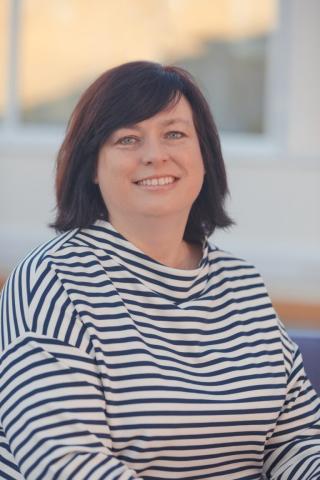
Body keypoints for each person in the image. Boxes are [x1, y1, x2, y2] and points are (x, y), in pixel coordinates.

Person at [0, 61, 319, 480]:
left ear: (203, 155)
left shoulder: (241, 284)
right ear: (92, 167)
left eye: (174, 134)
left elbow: (294, 441)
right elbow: (66, 463)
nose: (155, 155)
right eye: (128, 139)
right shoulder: (51, 281)